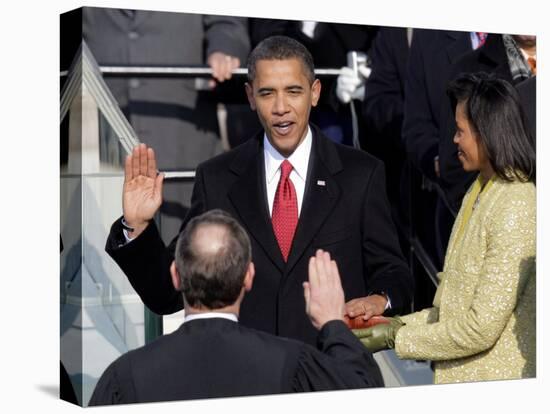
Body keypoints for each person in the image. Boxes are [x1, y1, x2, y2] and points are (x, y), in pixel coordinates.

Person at [106, 35, 413, 346]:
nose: (281, 107)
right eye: (267, 94)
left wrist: (380, 299)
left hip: (331, 370)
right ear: (250, 96)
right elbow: (167, 294)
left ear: (315, 92)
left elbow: (394, 271)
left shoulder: (361, 174)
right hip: (249, 376)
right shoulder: (218, 179)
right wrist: (138, 227)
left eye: (293, 91)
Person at [91, 210, 383, 405]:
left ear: (176, 275)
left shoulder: (125, 377)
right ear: (249, 276)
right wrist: (333, 324)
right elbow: (365, 397)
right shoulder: (293, 365)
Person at [354, 73, 536, 384]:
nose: (454, 140)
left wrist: (393, 337)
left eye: (460, 131)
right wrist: (387, 325)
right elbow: (450, 314)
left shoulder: (516, 202)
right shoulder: (480, 190)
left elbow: (480, 328)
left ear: (487, 134)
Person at [82, 7, 250, 243]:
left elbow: (228, 22)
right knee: (103, 239)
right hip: (99, 126)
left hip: (179, 126)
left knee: (181, 238)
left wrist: (224, 50)